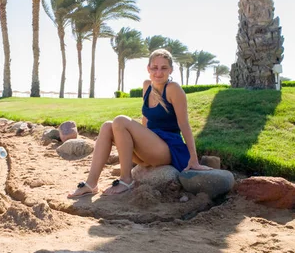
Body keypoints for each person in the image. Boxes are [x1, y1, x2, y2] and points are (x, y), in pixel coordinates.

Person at [68, 48, 210, 198]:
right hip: (149, 147)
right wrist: (139, 142)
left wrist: (193, 158)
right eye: (154, 68)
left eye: (164, 68)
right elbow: (146, 121)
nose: (158, 72)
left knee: (120, 120)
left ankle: (126, 179)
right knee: (107, 126)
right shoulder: (147, 86)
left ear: (171, 70)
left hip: (167, 148)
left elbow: (184, 125)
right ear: (148, 69)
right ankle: (91, 184)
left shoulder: (173, 89)